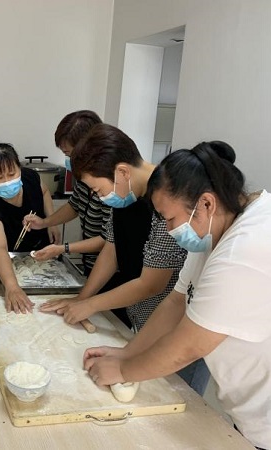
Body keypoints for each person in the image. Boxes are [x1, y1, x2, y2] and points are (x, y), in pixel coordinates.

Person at [84, 141, 271, 449]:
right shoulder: (216, 228)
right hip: (255, 407)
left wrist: (122, 370)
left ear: (206, 203)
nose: (169, 229)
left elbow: (190, 345)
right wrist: (127, 352)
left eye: (170, 219)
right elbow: (176, 302)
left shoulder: (249, 248)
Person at [39, 124, 208, 395]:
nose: (98, 196)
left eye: (97, 189)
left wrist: (90, 304)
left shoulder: (167, 201)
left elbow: (151, 284)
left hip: (178, 330)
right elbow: (111, 249)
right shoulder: (125, 196)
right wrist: (82, 298)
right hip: (145, 321)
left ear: (122, 172)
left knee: (176, 397)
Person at [0, 143, 61, 314]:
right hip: (8, 259)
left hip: (40, 251)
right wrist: (12, 287)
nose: (7, 181)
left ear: (19, 169)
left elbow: (44, 192)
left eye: (12, 174)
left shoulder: (30, 177)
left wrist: (51, 222)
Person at [26, 111, 111, 276]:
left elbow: (108, 239)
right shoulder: (83, 175)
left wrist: (62, 248)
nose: (69, 160)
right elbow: (74, 205)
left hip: (110, 269)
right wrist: (45, 223)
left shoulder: (111, 186)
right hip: (91, 264)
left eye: (70, 154)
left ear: (89, 148)